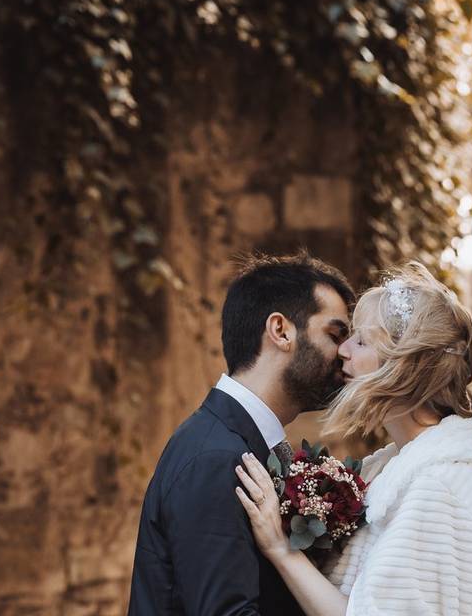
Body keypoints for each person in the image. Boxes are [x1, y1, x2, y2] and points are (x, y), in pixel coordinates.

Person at [235, 262, 472, 616]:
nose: (343, 350)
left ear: (403, 365)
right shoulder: (399, 467)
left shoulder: (436, 489)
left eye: (361, 340)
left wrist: (282, 551)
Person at [128, 252, 354, 615]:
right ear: (281, 331)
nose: (345, 354)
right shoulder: (216, 458)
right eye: (335, 334)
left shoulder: (235, 444)